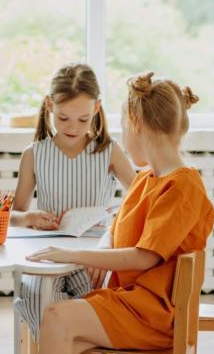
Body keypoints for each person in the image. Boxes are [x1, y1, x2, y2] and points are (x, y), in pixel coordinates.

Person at [0, 72, 213, 354]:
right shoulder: (147, 182)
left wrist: (75, 252)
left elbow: (143, 257)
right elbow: (120, 237)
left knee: (56, 319)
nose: (119, 133)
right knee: (59, 345)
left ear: (137, 126)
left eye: (122, 124)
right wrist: (96, 256)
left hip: (154, 313)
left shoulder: (183, 186)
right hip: (131, 303)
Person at [10, 63, 136, 339]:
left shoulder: (110, 151)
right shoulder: (34, 154)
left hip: (94, 257)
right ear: (49, 105)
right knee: (39, 300)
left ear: (97, 109)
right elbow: (13, 215)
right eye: (64, 117)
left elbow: (140, 199)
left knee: (97, 306)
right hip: (47, 255)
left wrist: (110, 242)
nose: (72, 127)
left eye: (83, 119)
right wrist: (30, 218)